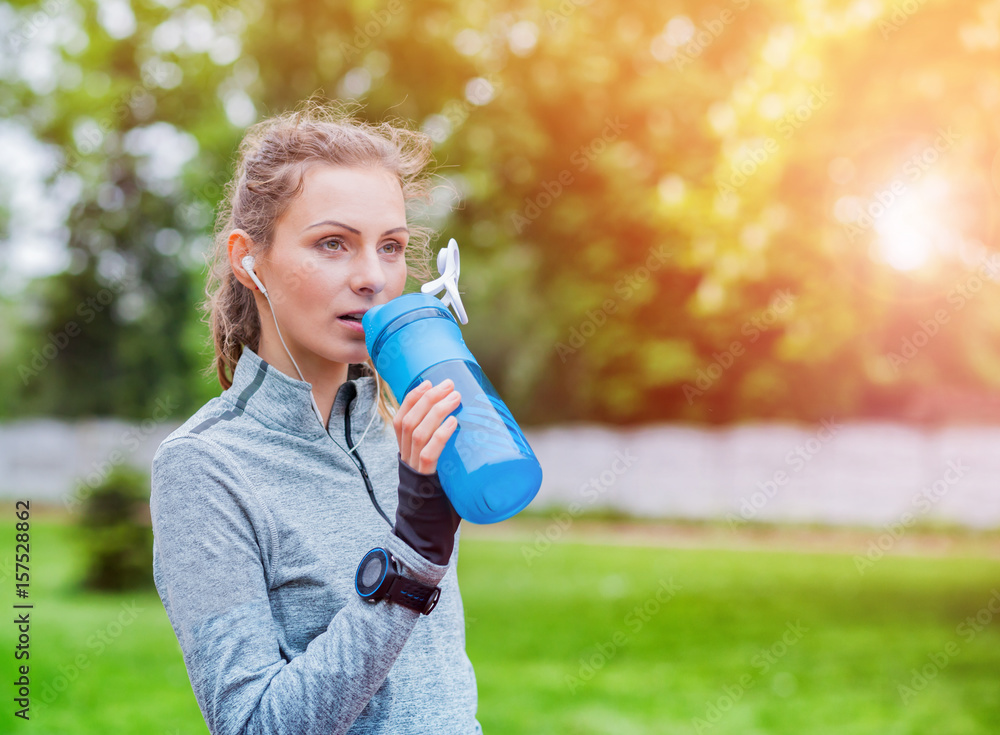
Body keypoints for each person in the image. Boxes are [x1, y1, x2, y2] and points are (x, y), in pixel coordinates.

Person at [149, 100, 481, 735]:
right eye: (333, 243)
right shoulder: (205, 466)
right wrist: (411, 556)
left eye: (391, 247)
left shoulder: (402, 430)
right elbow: (252, 724)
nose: (373, 278)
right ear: (249, 259)